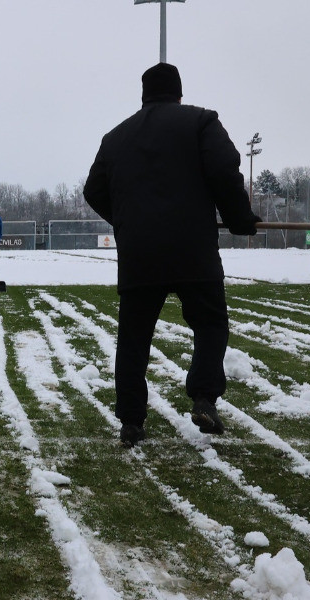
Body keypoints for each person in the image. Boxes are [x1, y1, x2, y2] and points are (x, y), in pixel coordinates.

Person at [83, 62, 260, 448]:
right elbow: (224, 172)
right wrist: (240, 220)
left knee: (133, 340)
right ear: (179, 92)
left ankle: (131, 420)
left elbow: (94, 191)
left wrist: (128, 222)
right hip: (192, 249)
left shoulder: (115, 137)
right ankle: (203, 396)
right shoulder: (200, 122)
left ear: (144, 94)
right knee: (210, 324)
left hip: (139, 254)